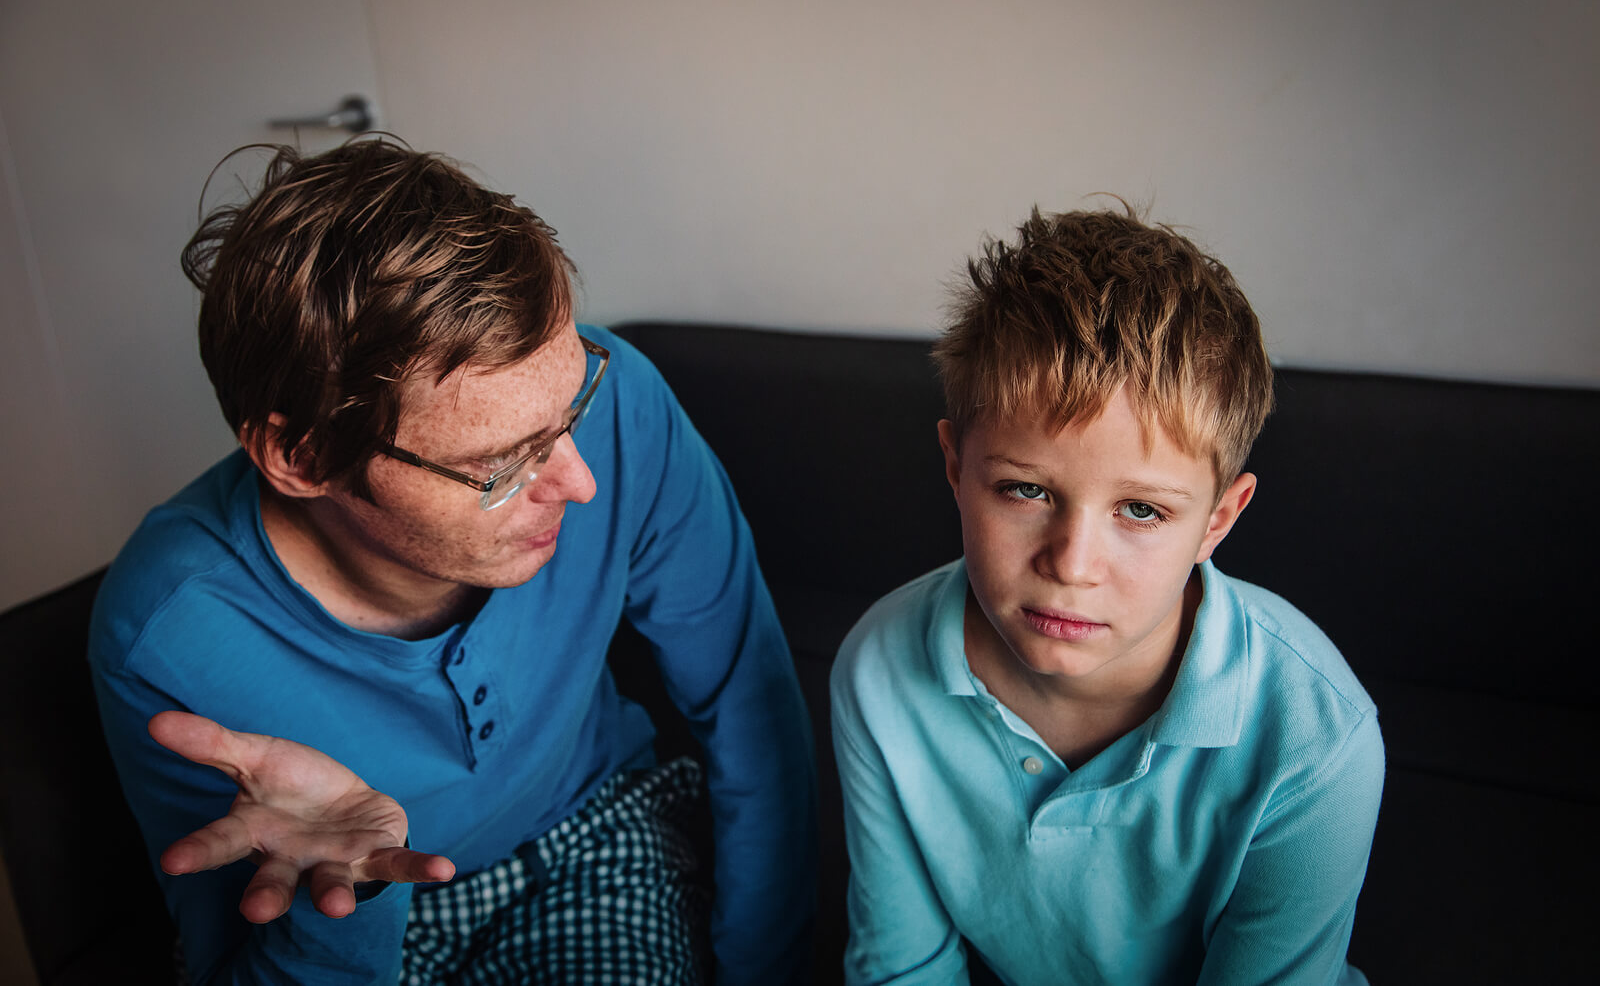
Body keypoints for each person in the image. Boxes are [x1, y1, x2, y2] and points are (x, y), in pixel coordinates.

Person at [89, 138, 816, 985]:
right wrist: (350, 903)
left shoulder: (625, 409)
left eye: (570, 404)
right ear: (304, 457)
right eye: (500, 463)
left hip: (591, 839)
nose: (580, 482)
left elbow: (751, 709)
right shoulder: (166, 633)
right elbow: (237, 961)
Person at [829, 206, 1384, 984]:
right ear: (956, 467)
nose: (1073, 563)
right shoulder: (877, 669)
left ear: (1216, 521)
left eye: (1142, 510)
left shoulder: (1317, 734)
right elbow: (903, 967)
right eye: (1024, 489)